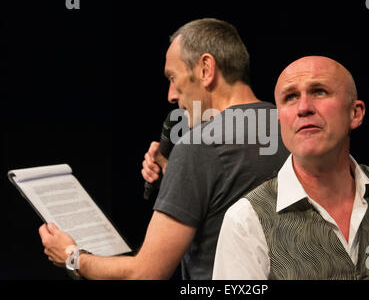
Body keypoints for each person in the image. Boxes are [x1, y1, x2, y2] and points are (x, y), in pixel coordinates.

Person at [38, 18, 289, 279]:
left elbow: (145, 274)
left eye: (172, 77)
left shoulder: (198, 145)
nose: (171, 95)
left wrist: (72, 257)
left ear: (205, 69)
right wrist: (177, 178)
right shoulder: (289, 127)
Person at [212, 56, 369, 280]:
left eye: (319, 91)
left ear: (355, 113)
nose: (303, 107)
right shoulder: (246, 221)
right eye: (290, 97)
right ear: (280, 121)